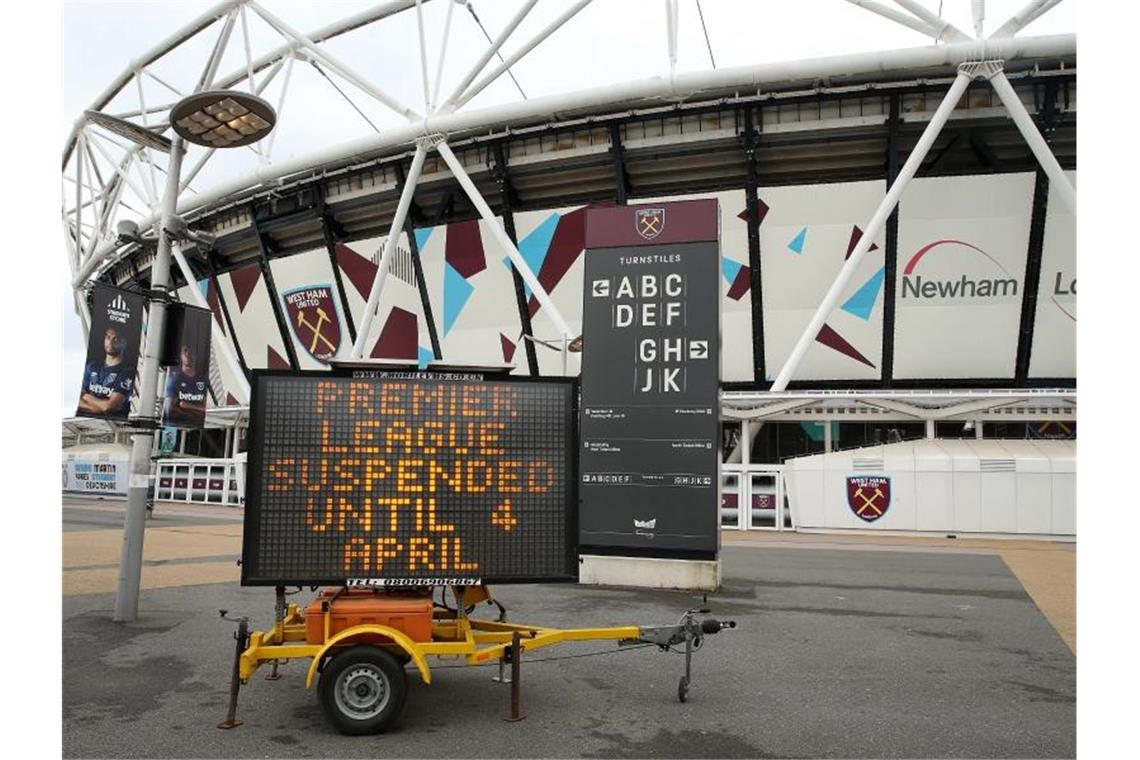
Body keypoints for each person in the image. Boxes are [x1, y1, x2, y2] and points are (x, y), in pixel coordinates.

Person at [77, 326, 135, 417]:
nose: (110, 342)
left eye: (115, 339)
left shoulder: (127, 372)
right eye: (108, 337)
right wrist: (100, 407)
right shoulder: (92, 366)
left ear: (124, 343)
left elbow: (109, 407)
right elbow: (76, 399)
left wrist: (86, 397)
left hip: (114, 426)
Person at [164, 343, 208, 426]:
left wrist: (186, 406)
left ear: (196, 356)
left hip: (197, 427)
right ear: (181, 356)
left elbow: (207, 410)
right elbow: (169, 410)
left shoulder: (202, 380)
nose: (188, 355)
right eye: (185, 352)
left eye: (191, 352)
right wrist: (197, 411)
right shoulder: (174, 378)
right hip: (175, 426)